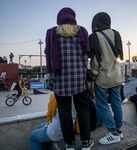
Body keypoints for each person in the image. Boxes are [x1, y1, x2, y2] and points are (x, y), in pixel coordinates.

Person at [45, 8, 93, 150]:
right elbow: (87, 53)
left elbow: (48, 54)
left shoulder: (52, 33)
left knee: (64, 113)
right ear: (73, 17)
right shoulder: (82, 31)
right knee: (83, 110)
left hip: (61, 81)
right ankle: (86, 142)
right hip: (79, 79)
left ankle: (69, 144)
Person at [89, 12, 124, 145]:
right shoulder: (116, 33)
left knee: (103, 105)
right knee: (117, 103)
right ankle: (119, 130)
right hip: (116, 76)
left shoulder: (94, 36)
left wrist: (92, 78)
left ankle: (112, 133)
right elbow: (117, 55)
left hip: (102, 78)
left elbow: (95, 60)